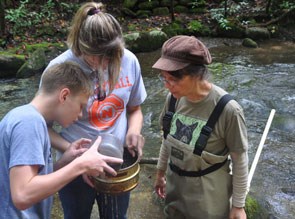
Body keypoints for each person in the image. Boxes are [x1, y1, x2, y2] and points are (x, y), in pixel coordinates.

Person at [42, 2, 147, 219]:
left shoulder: (129, 60)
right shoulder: (59, 70)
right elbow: (43, 125)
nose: (106, 64)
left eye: (112, 56)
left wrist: (133, 131)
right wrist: (74, 151)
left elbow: (135, 109)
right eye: (98, 58)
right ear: (81, 47)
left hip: (116, 162)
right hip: (75, 164)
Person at [0, 62, 123, 219]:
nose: (80, 115)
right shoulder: (29, 122)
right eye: (80, 106)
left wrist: (65, 163)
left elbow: (31, 181)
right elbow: (22, 195)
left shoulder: (23, 117)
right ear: (64, 95)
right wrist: (81, 165)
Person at [153, 35, 249, 219]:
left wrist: (238, 205)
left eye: (172, 79)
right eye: (164, 79)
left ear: (196, 74)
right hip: (175, 194)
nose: (167, 86)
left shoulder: (228, 110)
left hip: (208, 203)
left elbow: (239, 160)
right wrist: (160, 172)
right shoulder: (173, 99)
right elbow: (167, 139)